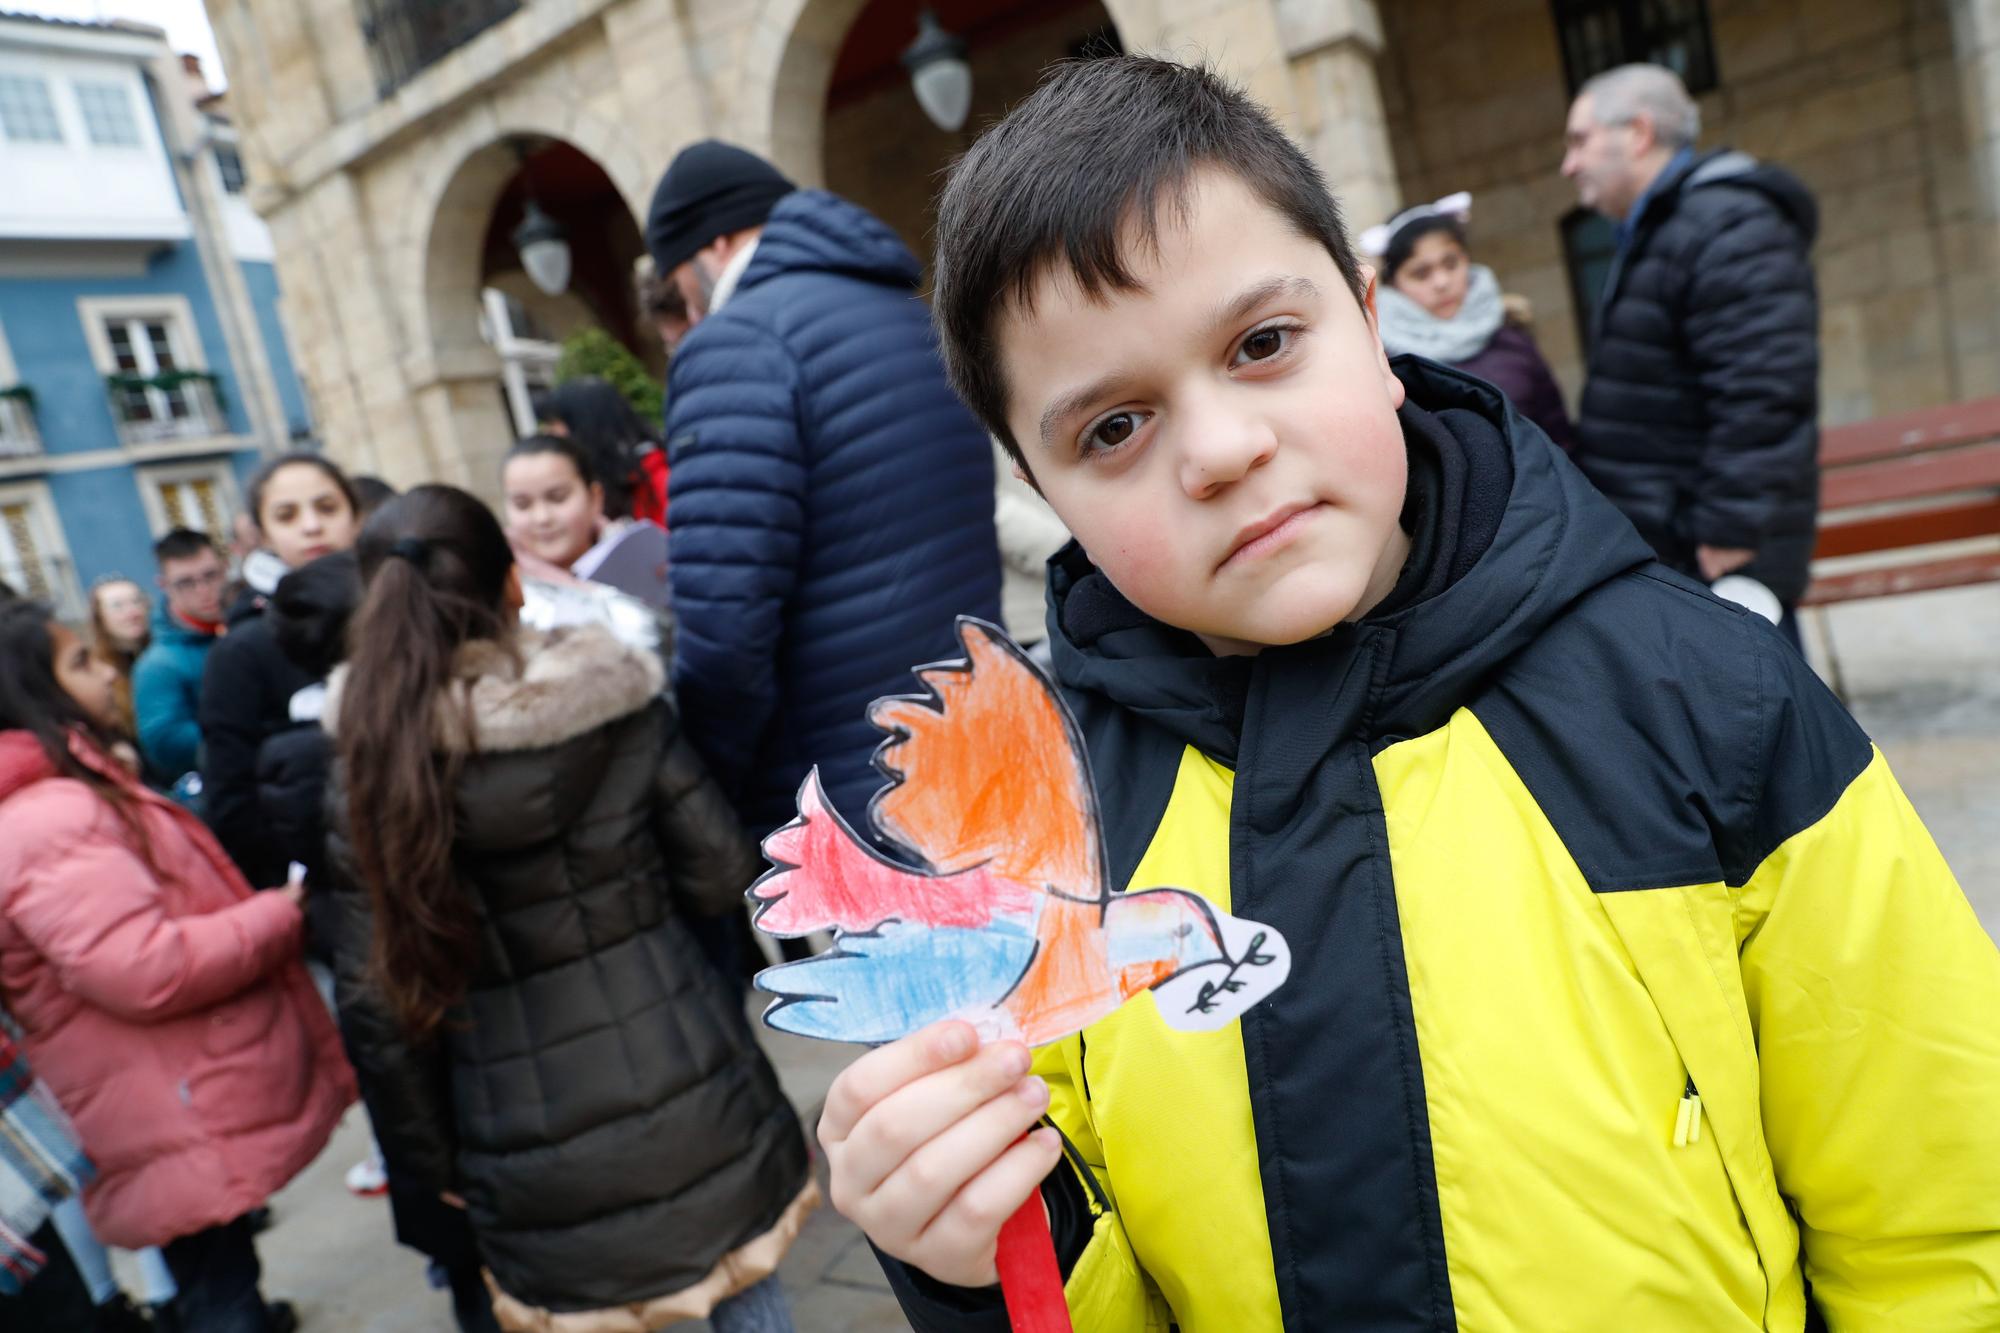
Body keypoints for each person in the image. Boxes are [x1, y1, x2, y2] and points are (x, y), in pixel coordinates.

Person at [813, 56, 2000, 1330]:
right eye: (1112, 427)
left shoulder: (1706, 697)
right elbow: (1091, 1278)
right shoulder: (1034, 834)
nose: (1219, 450)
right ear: (1048, 496)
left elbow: (1937, 1207)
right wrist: (975, 1250)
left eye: (1262, 344)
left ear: (1373, 330)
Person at [324, 485, 817, 1332]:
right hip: (689, 1070)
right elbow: (719, 868)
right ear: (511, 582)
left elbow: (375, 1003)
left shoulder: (367, 768)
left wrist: (431, 1156)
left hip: (515, 1133)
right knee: (747, 1292)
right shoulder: (612, 700)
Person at [0, 598, 355, 1333]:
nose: (105, 674)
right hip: (164, 1100)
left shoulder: (54, 798)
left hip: (160, 1094)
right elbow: (145, 968)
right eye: (81, 661)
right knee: (217, 1289)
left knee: (219, 1274)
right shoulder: (46, 817)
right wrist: (275, 914)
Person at [644, 139, 1002, 839]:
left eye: (677, 277)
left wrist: (723, 790)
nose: (686, 304)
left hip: (859, 791)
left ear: (713, 245)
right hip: (983, 739)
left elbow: (724, 637)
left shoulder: (733, 346)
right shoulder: (913, 317)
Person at [1562, 63, 1820, 633]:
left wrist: (1730, 528)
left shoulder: (1726, 225)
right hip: (1678, 546)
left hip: (1719, 554)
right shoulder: (1669, 226)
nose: (1569, 164)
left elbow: (1765, 388)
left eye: (1580, 140)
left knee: (1757, 713)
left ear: (1638, 132)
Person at [200, 453, 362, 897]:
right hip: (332, 891)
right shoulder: (243, 651)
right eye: (287, 515)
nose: (312, 526)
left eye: (327, 508)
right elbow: (232, 795)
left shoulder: (407, 614)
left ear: (356, 516)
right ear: (264, 534)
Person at [1363, 193, 1574, 450]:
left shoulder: (1512, 336)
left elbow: (1558, 437)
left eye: (1451, 264)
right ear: (1394, 284)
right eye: (1421, 273)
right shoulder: (1381, 363)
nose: (1441, 282)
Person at [130, 528, 228, 791]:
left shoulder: (256, 622)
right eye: (186, 583)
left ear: (225, 567)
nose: (204, 591)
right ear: (164, 585)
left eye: (211, 576)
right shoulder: (158, 664)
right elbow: (164, 742)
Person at [535, 377, 670, 528]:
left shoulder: (655, 478)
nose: (548, 432)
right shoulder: (598, 478)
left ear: (585, 426)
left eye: (554, 423)